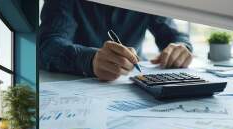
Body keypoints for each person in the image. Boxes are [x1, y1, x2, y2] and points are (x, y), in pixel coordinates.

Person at [39, 0, 193, 81]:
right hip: (75, 80)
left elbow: (173, 35)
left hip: (134, 77)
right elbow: (47, 44)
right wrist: (89, 60)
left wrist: (181, 47)